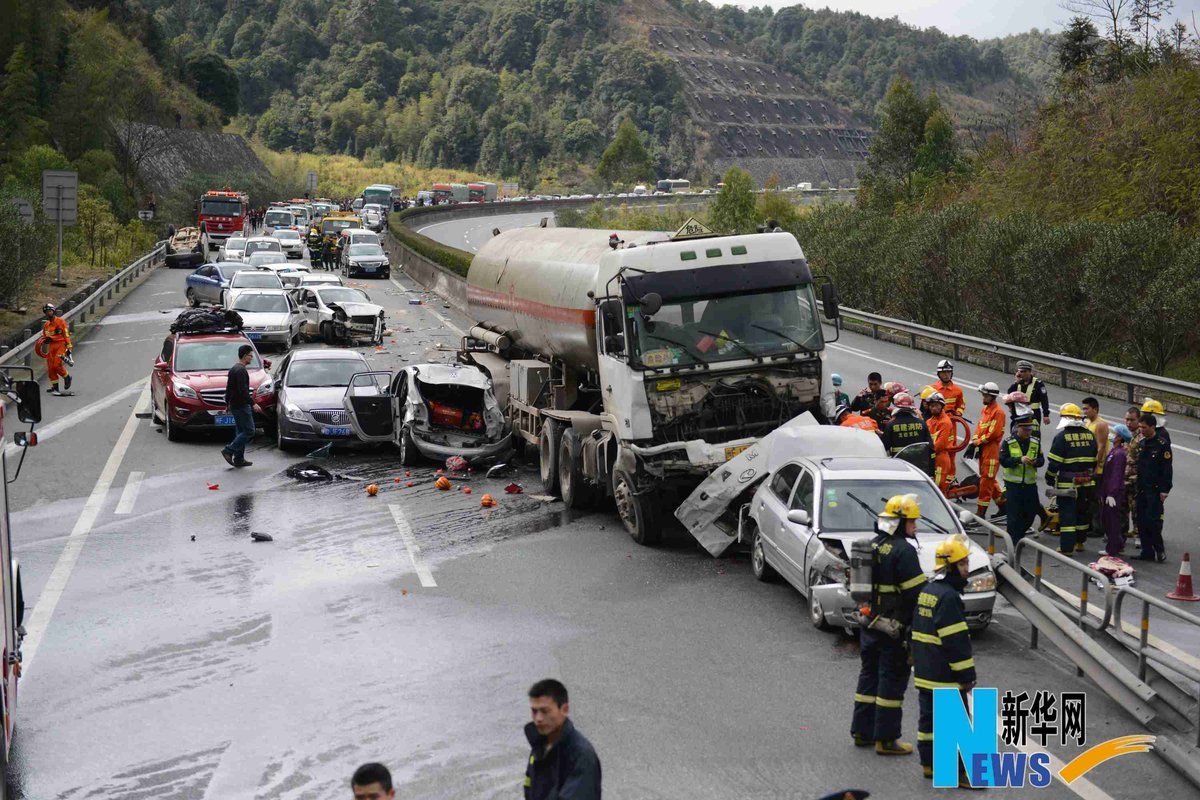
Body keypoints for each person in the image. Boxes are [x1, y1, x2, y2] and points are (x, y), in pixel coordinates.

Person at [851, 494, 926, 756]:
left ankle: (862, 731)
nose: (915, 527)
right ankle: (886, 739)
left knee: (869, 677)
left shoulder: (874, 544)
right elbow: (916, 594)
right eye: (912, 522)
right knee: (891, 683)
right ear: (899, 523)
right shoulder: (903, 551)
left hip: (870, 623)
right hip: (893, 628)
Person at [913, 534, 977, 788]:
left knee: (928, 721)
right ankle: (956, 773)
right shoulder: (949, 598)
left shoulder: (927, 591)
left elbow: (915, 632)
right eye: (962, 565)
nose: (967, 570)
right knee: (957, 723)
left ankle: (929, 764)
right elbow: (956, 642)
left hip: (925, 670)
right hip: (944, 674)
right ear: (950, 567)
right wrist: (966, 676)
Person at [524, 679, 601, 800]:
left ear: (564, 709)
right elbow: (529, 788)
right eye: (534, 711)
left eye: (545, 711)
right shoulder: (539, 746)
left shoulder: (582, 755)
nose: (538, 718)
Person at [1044, 403, 1097, 555]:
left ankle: (1066, 548)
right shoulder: (1089, 435)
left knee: (1067, 516)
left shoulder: (1062, 437)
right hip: (1087, 482)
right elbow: (1094, 460)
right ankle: (1080, 542)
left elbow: (1055, 463)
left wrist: (1049, 477)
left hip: (1068, 484)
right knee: (1082, 513)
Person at [999, 413, 1043, 546]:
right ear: (1017, 428)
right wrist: (1019, 460)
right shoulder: (1008, 442)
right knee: (1014, 514)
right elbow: (1003, 460)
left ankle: (1020, 533)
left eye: (1030, 430)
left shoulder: (1035, 442)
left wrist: (1035, 462)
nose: (1028, 433)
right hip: (1013, 485)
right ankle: (1014, 541)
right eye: (1025, 430)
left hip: (1029, 484)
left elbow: (1042, 460)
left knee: (1031, 511)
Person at [1133, 413, 1172, 563]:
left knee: (1152, 521)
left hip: (1154, 490)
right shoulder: (1143, 444)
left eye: (1144, 427)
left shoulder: (1162, 445)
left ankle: (1159, 550)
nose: (1141, 430)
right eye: (1140, 427)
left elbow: (1167, 469)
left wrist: (1165, 489)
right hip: (1142, 489)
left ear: (1152, 427)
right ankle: (1146, 551)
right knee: (1141, 521)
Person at [966, 382, 1006, 518]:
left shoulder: (998, 412)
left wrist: (977, 442)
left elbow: (993, 434)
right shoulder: (986, 410)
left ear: (991, 396)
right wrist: (974, 443)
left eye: (985, 395)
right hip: (984, 448)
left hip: (991, 450)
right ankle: (1003, 505)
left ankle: (981, 513)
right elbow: (980, 428)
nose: (982, 397)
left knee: (986, 483)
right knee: (989, 479)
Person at [1099, 424, 1133, 557]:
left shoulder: (1119, 454)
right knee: (1107, 519)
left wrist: (1112, 493)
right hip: (1108, 490)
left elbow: (1117, 475)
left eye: (1114, 433)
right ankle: (1117, 543)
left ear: (1119, 437)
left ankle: (1112, 548)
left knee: (1112, 521)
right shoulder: (1114, 451)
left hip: (1113, 492)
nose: (1111, 434)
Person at [221, 345, 256, 468]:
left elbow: (229, 388)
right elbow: (243, 390)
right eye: (250, 356)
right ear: (245, 355)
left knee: (240, 431)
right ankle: (229, 450)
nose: (251, 358)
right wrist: (253, 403)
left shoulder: (233, 369)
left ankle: (239, 459)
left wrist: (227, 404)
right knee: (249, 431)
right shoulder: (241, 370)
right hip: (241, 405)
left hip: (235, 405)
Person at [1081, 397, 1110, 541]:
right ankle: (1091, 525)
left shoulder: (1100, 425)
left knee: (1096, 498)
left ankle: (1098, 527)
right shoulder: (1087, 423)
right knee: (1089, 498)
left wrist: (1095, 465)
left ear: (1095, 409)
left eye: (1087, 408)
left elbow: (1101, 446)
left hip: (1097, 469)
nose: (1084, 411)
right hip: (1088, 466)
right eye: (1083, 408)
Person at [881, 393, 932, 461]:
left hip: (899, 461)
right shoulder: (921, 423)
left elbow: (885, 445)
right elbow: (929, 444)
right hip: (918, 461)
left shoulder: (891, 425)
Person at [1007, 360, 1051, 432]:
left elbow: (1044, 400)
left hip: (1034, 414)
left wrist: (1046, 415)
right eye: (1020, 371)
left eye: (1024, 371)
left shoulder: (1038, 384)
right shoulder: (1018, 383)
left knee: (1033, 434)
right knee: (1016, 433)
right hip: (1019, 412)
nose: (1021, 374)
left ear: (1030, 372)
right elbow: (1009, 395)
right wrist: (1015, 383)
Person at [39, 303, 73, 395]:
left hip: (61, 345)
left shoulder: (61, 321)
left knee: (56, 365)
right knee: (50, 368)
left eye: (50, 311)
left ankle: (67, 377)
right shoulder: (46, 324)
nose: (48, 313)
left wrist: (69, 346)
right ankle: (55, 387)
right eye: (47, 312)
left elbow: (66, 334)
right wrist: (46, 341)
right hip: (52, 346)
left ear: (53, 311)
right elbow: (45, 336)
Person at [926, 393, 956, 494]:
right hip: (932, 457)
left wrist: (926, 451)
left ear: (942, 406)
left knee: (937, 489)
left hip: (940, 459)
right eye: (931, 406)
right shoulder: (930, 421)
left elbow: (940, 444)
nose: (933, 408)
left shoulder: (945, 422)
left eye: (936, 405)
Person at [1123, 406, 1143, 550]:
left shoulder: (1141, 438)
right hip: (1127, 478)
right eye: (1127, 419)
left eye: (1132, 420)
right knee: (1126, 507)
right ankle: (1128, 532)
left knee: (1136, 508)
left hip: (1136, 479)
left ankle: (1139, 535)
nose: (1128, 423)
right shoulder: (1130, 437)